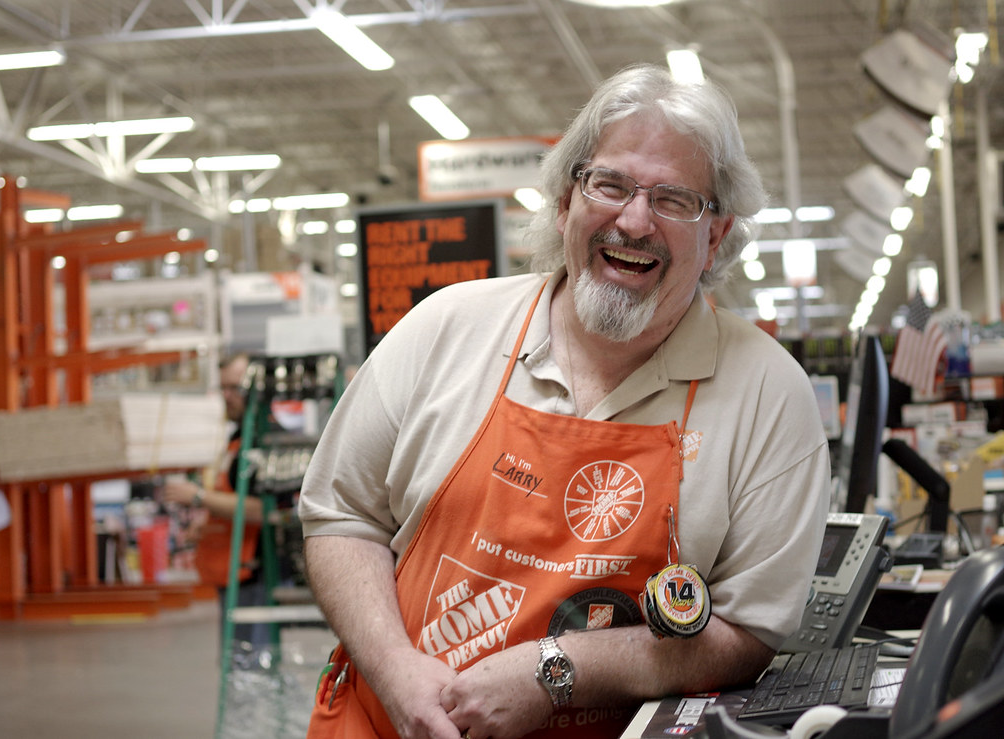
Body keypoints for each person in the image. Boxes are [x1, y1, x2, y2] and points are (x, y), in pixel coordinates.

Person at [298, 64, 831, 739]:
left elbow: (744, 633)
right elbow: (342, 516)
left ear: (716, 236)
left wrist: (557, 670)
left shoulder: (769, 395)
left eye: (674, 200)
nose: (634, 220)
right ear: (563, 202)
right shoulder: (444, 328)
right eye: (609, 184)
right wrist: (396, 670)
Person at [163, 352, 269, 650]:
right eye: (223, 388)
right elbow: (233, 498)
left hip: (255, 573)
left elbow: (262, 509)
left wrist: (198, 496)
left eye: (234, 388)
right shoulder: (237, 438)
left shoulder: (265, 441)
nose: (226, 396)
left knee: (247, 660)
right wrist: (209, 522)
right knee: (234, 658)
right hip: (232, 570)